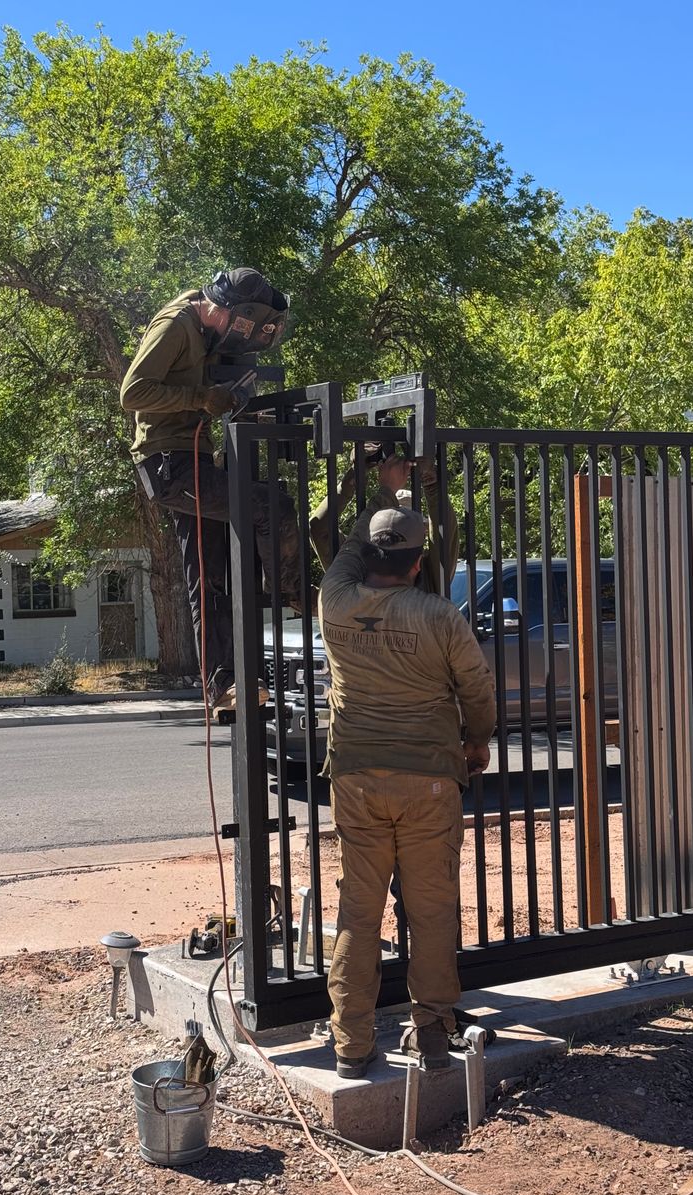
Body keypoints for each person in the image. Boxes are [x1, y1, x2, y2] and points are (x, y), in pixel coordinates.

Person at [318, 456, 497, 1078]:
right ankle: (434, 1036)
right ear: (420, 565)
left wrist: (382, 489)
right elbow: (476, 689)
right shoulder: (439, 616)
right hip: (428, 781)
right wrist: (478, 744)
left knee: (358, 914)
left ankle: (351, 1046)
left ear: (368, 558)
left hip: (357, 778)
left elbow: (345, 547)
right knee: (430, 908)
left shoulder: (335, 602)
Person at [120, 268, 302, 712]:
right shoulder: (176, 325)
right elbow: (133, 392)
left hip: (192, 460)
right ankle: (292, 592)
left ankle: (227, 686)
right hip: (171, 466)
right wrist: (201, 398)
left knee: (210, 576)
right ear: (220, 310)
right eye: (239, 325)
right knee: (269, 505)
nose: (240, 335)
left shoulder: (206, 328)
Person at [309, 450, 460, 595]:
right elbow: (319, 529)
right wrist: (431, 483)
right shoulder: (429, 582)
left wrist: (355, 478)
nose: (396, 529)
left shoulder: (354, 569)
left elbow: (319, 529)